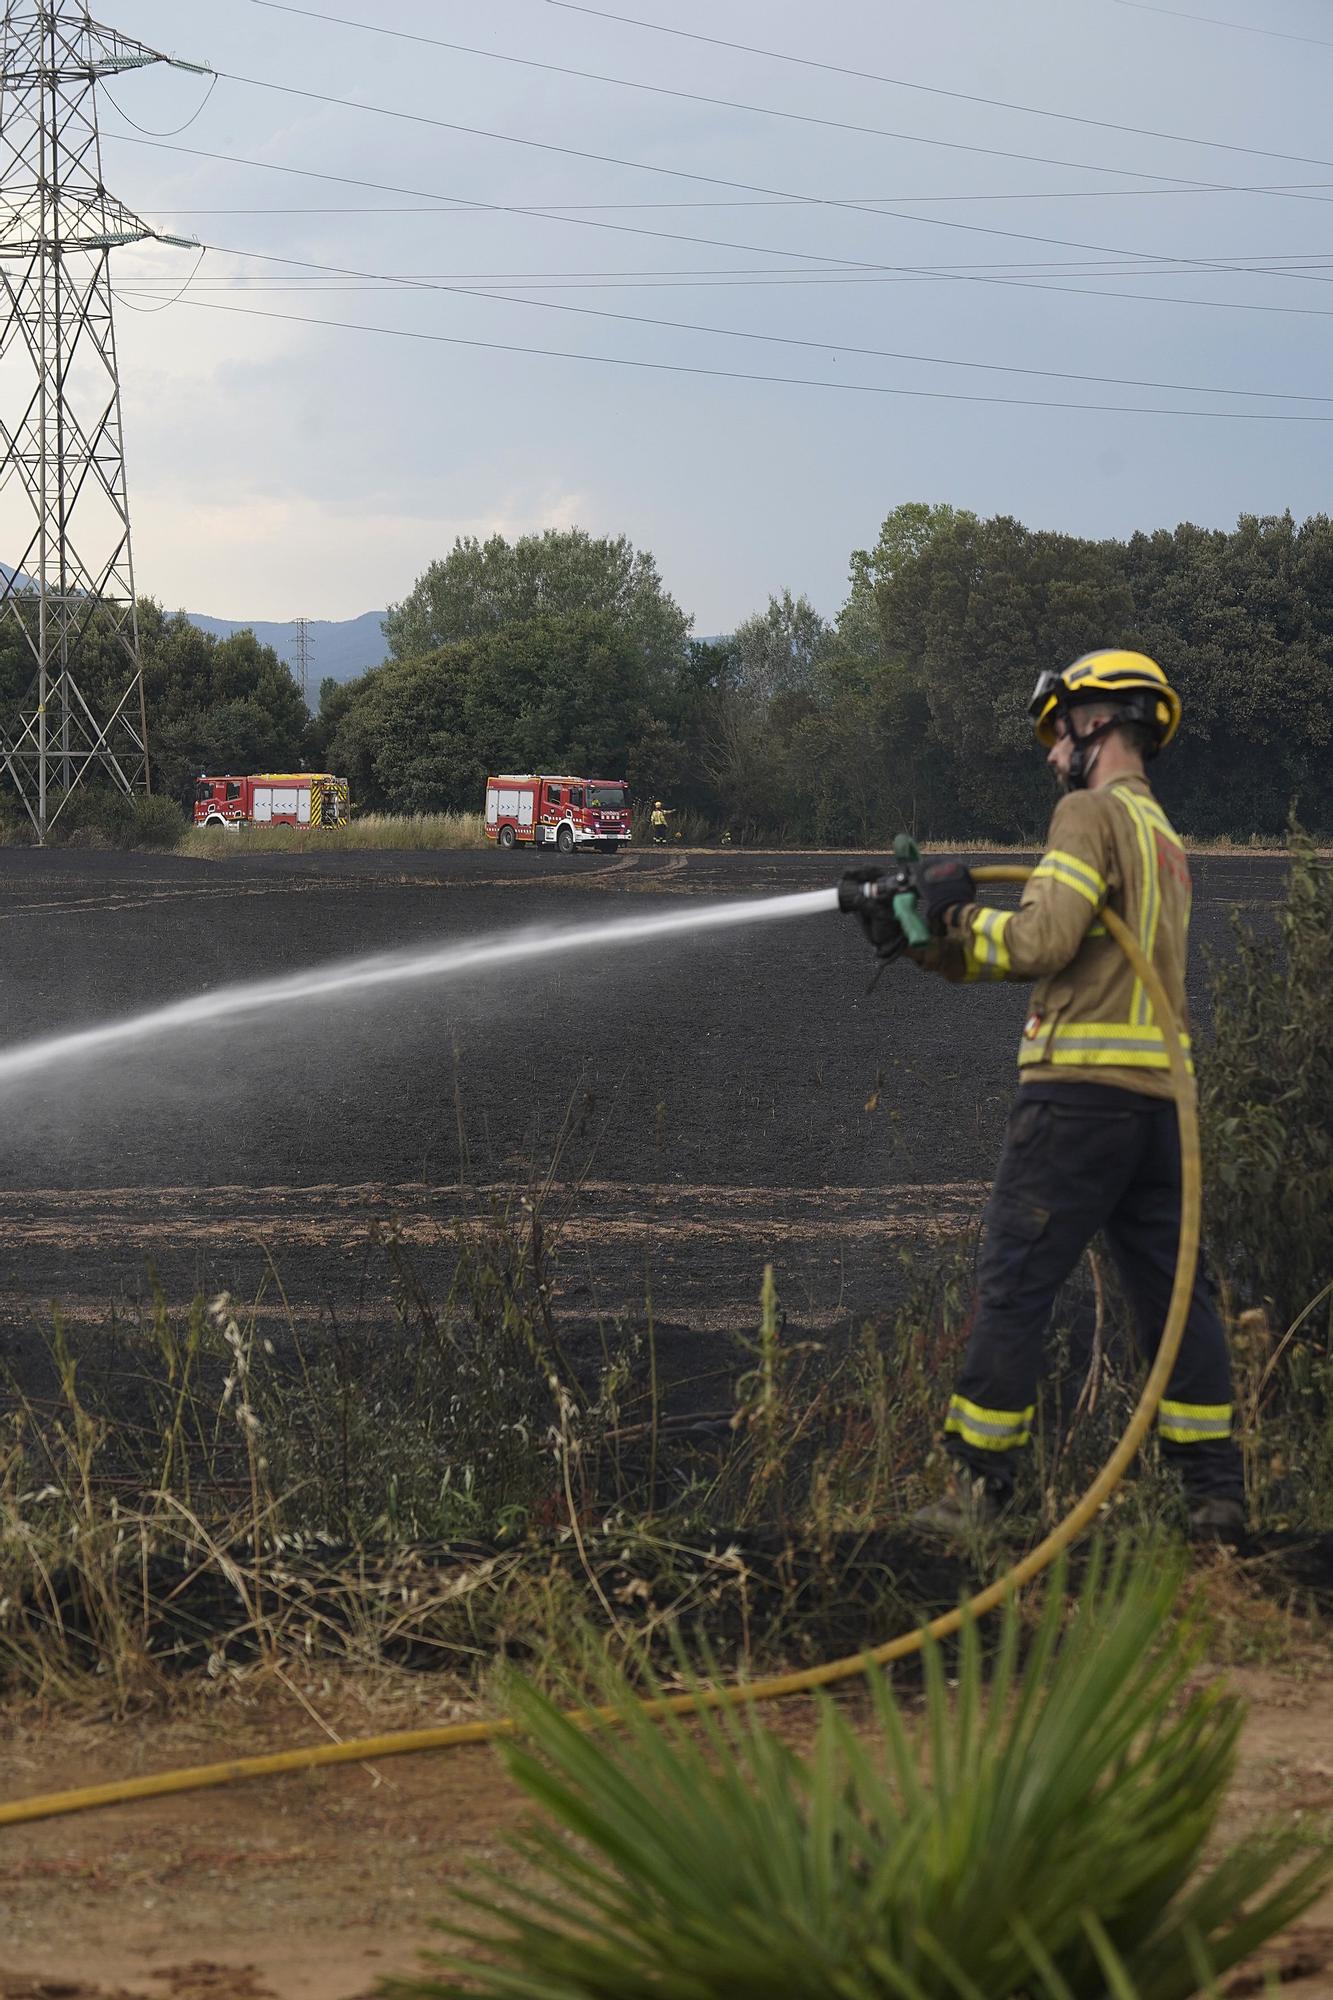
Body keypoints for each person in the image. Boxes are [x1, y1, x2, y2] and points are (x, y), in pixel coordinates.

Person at [906, 650, 1245, 1538]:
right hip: (1161, 1111)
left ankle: (977, 1494)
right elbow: (1084, 950)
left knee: (1014, 1280)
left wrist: (949, 915)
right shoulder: (1161, 838)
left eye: (1058, 731)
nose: (1052, 751)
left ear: (1097, 721)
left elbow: (1042, 941)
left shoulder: (1086, 813)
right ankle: (1213, 1496)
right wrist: (932, 946)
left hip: (1078, 1100)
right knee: (1175, 1300)